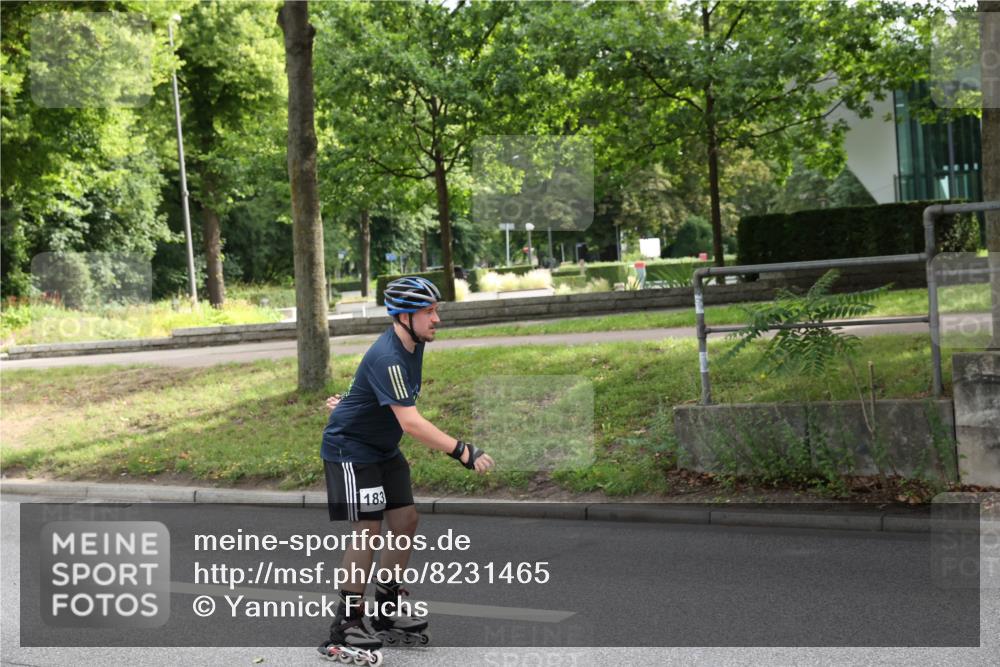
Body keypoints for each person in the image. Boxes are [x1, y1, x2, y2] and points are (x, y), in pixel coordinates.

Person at [318, 276, 495, 664]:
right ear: (402, 317)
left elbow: (372, 389)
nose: (437, 319)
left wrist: (349, 402)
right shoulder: (390, 355)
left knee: (406, 520)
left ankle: (384, 610)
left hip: (381, 446)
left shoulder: (411, 343)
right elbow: (411, 422)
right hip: (350, 448)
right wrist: (462, 450)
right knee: (368, 529)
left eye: (436, 310)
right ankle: (346, 624)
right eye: (428, 312)